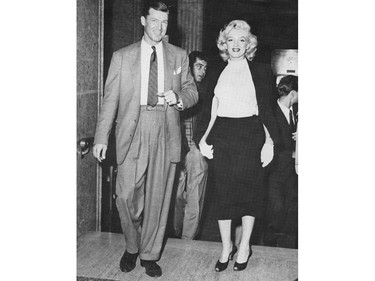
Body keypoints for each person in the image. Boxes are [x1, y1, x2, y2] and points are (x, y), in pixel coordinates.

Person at [92, 1, 198, 277]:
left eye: (164, 23)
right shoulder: (122, 56)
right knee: (125, 196)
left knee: (159, 198)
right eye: (154, 21)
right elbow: (110, 100)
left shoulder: (178, 55)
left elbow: (192, 91)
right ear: (143, 20)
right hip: (133, 129)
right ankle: (132, 244)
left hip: (165, 127)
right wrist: (101, 137)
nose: (159, 28)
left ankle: (149, 254)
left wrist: (180, 98)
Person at [198, 19, 278, 272]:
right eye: (230, 39)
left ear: (249, 45)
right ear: (224, 43)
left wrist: (269, 141)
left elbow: (266, 111)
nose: (235, 44)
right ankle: (226, 247)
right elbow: (212, 111)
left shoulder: (262, 71)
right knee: (223, 195)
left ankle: (244, 247)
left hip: (251, 134)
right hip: (222, 135)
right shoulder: (215, 72)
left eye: (241, 40)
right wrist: (202, 139)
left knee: (250, 194)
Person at [172, 51, 209, 240]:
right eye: (199, 66)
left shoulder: (204, 93)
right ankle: (176, 232)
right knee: (177, 195)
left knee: (194, 197)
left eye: (205, 68)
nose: (202, 71)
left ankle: (188, 238)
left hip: (196, 151)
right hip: (177, 149)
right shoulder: (178, 89)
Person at [264, 75, 298, 248]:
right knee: (274, 212)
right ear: (292, 93)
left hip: (291, 174)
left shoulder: (294, 112)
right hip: (274, 174)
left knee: (289, 211)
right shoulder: (270, 112)